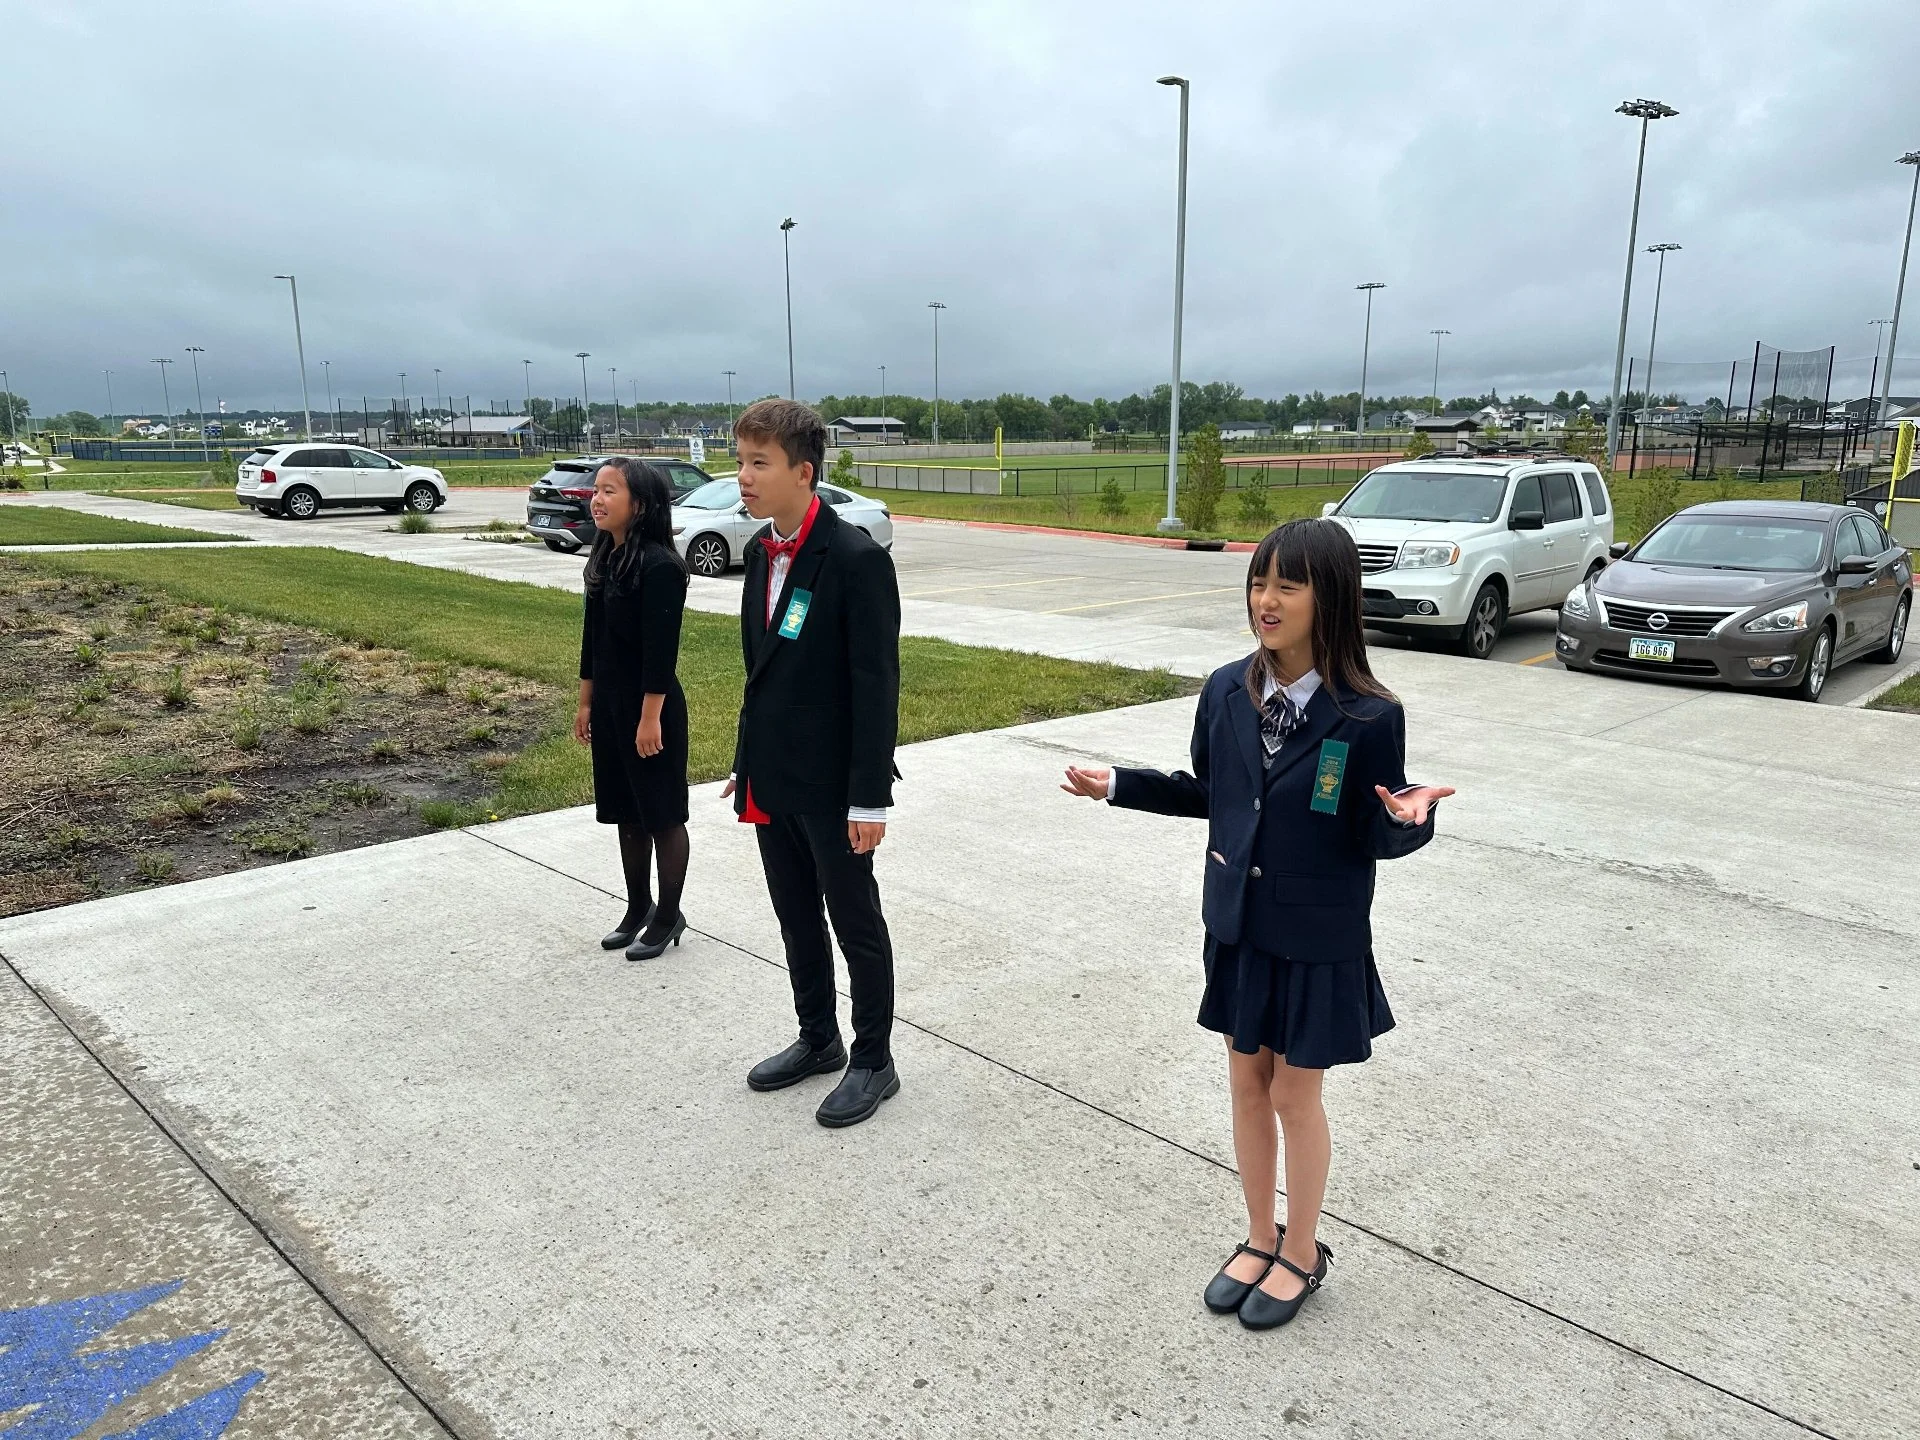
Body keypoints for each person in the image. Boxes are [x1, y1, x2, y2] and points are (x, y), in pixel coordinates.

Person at [1060, 517, 1453, 1331]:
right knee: (1245, 1082)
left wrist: (1407, 821)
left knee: (1293, 1094)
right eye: (1258, 583)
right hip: (1239, 921)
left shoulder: (1369, 717)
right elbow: (1212, 793)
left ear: (1330, 597)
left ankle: (1303, 1251)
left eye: (1288, 585)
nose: (1266, 601)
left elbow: (1371, 828)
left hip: (1317, 935)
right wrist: (1119, 785)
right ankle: (1257, 1233)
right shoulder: (1223, 690)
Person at [723, 398, 904, 1129]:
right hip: (775, 778)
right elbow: (759, 675)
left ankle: (873, 1060)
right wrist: (747, 760)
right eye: (740, 461)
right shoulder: (762, 554)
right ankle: (818, 1038)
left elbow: (875, 687)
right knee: (795, 918)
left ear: (804, 471)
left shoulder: (856, 560)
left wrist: (869, 800)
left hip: (833, 786)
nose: (743, 477)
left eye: (758, 463)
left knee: (853, 920)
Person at [573, 457, 691, 962]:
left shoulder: (661, 566)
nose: (597, 499)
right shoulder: (604, 557)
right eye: (596, 490)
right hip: (612, 704)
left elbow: (661, 653)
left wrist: (650, 718)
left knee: (661, 813)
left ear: (639, 505)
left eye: (609, 491)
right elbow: (591, 639)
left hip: (652, 708)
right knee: (627, 812)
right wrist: (585, 701)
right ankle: (638, 905)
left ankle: (668, 914)